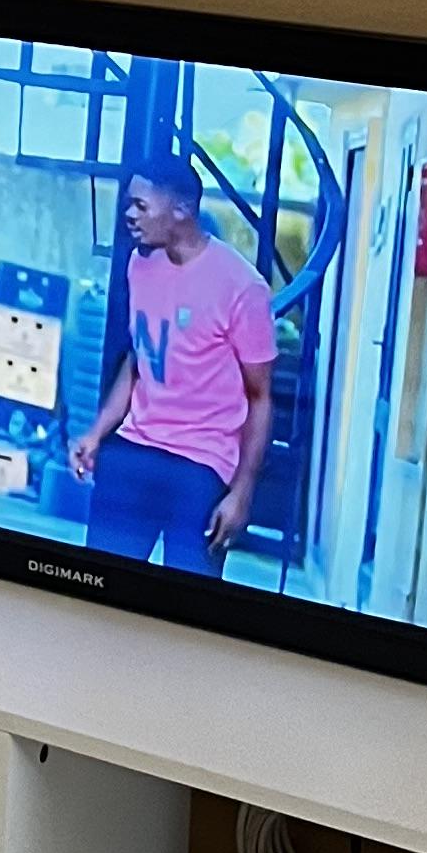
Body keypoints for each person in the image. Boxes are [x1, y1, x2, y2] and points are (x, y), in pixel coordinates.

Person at [70, 150, 277, 572]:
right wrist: (97, 432)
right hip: (136, 447)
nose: (129, 215)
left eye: (141, 205)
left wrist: (242, 493)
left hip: (202, 463)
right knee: (97, 584)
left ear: (182, 209)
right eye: (129, 204)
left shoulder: (242, 287)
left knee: (186, 600)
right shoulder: (139, 265)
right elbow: (139, 359)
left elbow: (260, 398)